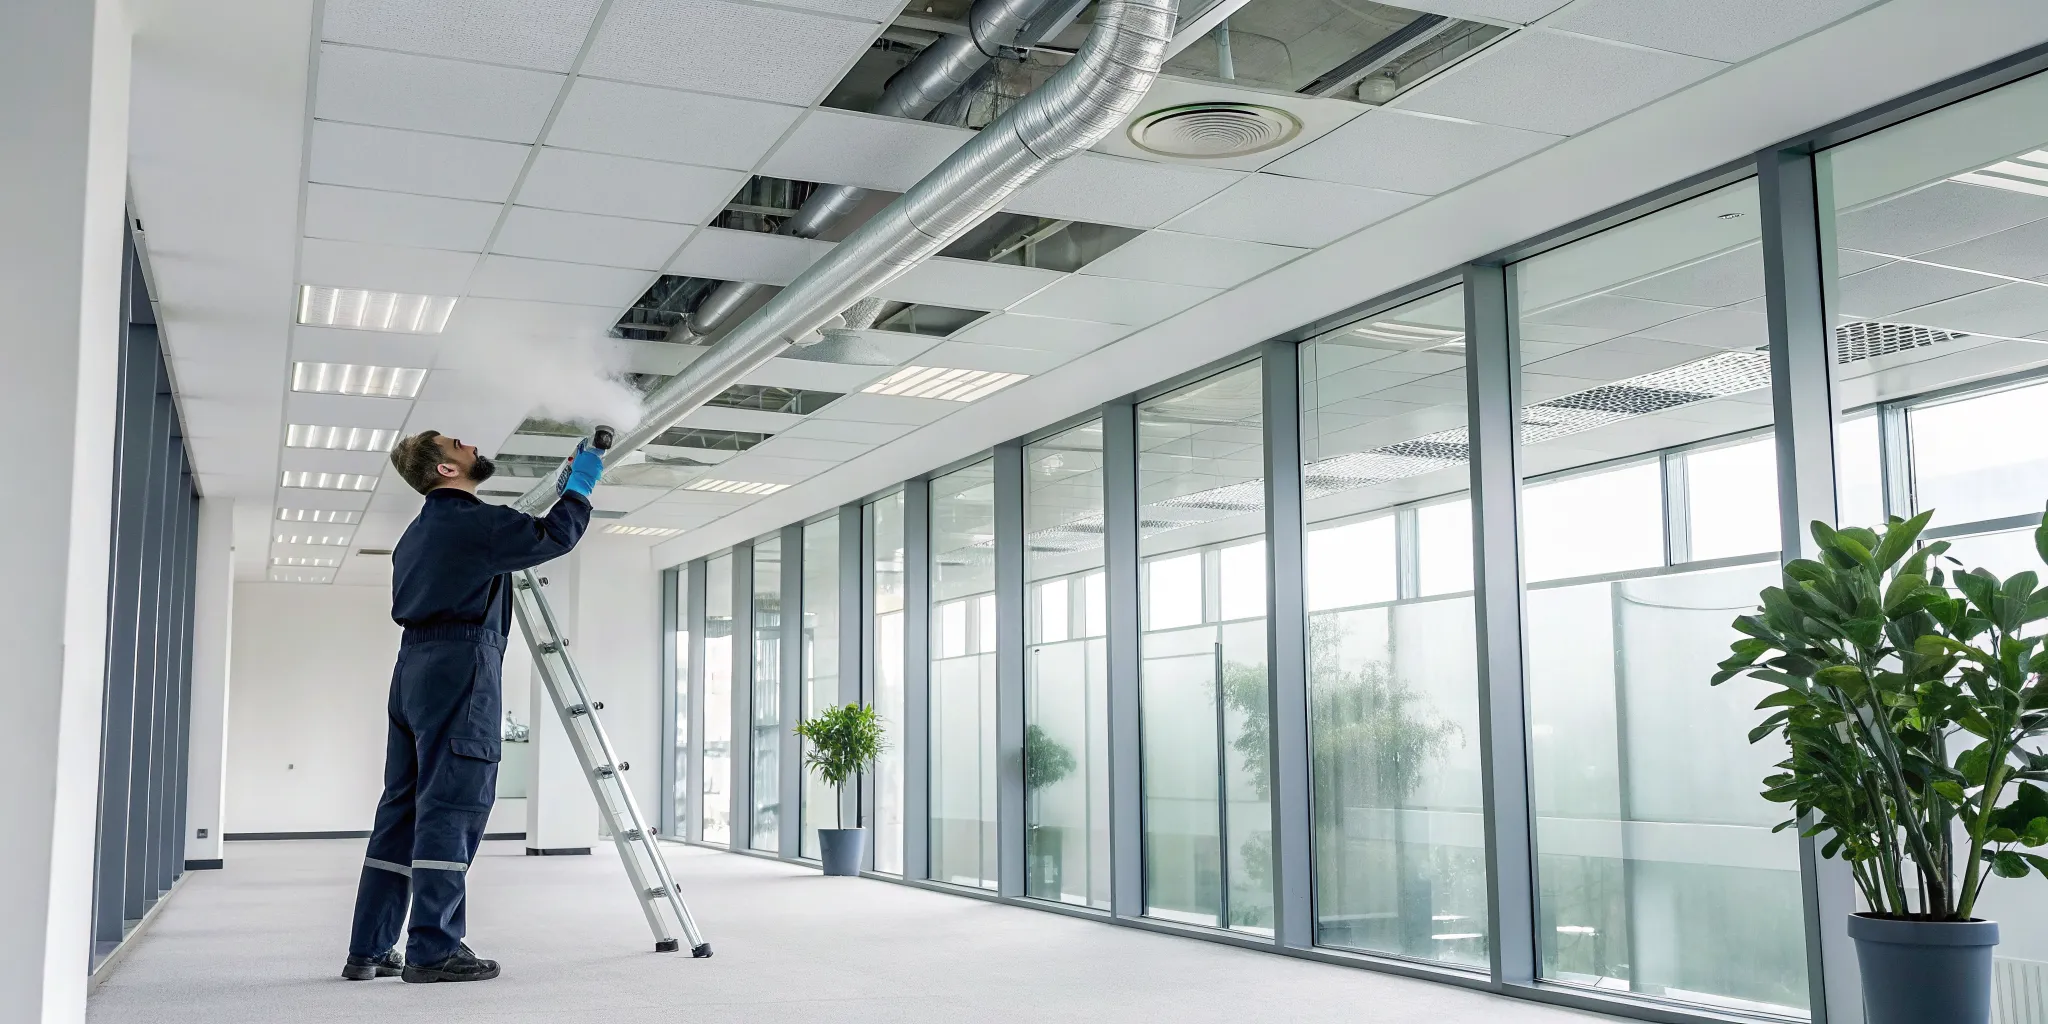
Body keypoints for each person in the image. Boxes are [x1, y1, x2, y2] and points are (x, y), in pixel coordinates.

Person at [341, 430, 603, 983]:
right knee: (453, 804)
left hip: (411, 669)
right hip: (462, 664)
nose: (470, 445)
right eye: (457, 444)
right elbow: (554, 535)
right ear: (445, 471)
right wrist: (581, 482)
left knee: (402, 809)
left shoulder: (414, 536)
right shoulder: (474, 522)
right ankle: (433, 950)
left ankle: (368, 947)